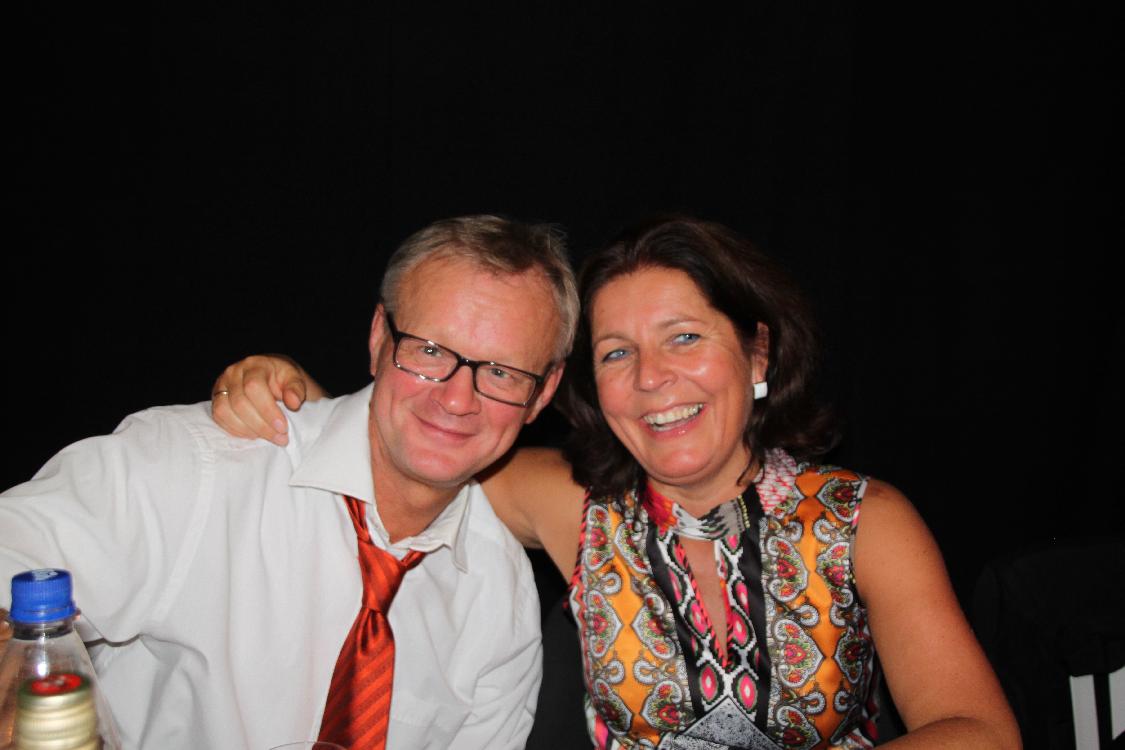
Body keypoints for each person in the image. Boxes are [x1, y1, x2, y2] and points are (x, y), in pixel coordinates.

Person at [211, 216, 1022, 749]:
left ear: (757, 352)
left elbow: (979, 731)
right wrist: (298, 395)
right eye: (616, 353)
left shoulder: (863, 519)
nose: (651, 378)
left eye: (683, 338)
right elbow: (412, 446)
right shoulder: (570, 506)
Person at [0, 214, 579, 749]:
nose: (456, 398)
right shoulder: (200, 467)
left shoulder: (498, 598)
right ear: (379, 337)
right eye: (429, 351)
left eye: (501, 372)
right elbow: (14, 561)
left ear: (544, 393)